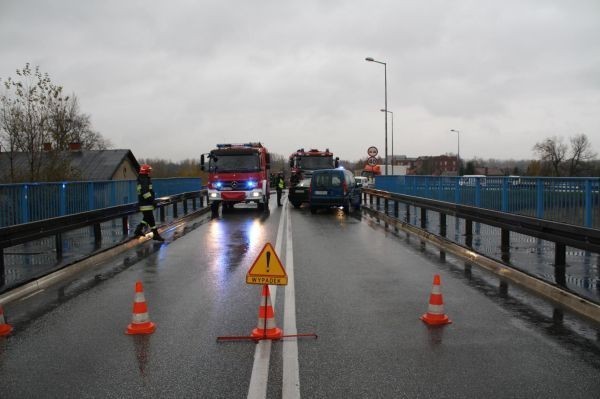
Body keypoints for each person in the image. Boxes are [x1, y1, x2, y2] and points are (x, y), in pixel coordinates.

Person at [133, 164, 164, 241]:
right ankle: (153, 234)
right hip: (146, 203)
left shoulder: (142, 179)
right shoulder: (144, 179)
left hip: (144, 203)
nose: (150, 172)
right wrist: (152, 201)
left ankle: (140, 230)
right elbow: (145, 192)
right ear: (146, 171)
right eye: (149, 171)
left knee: (148, 218)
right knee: (150, 218)